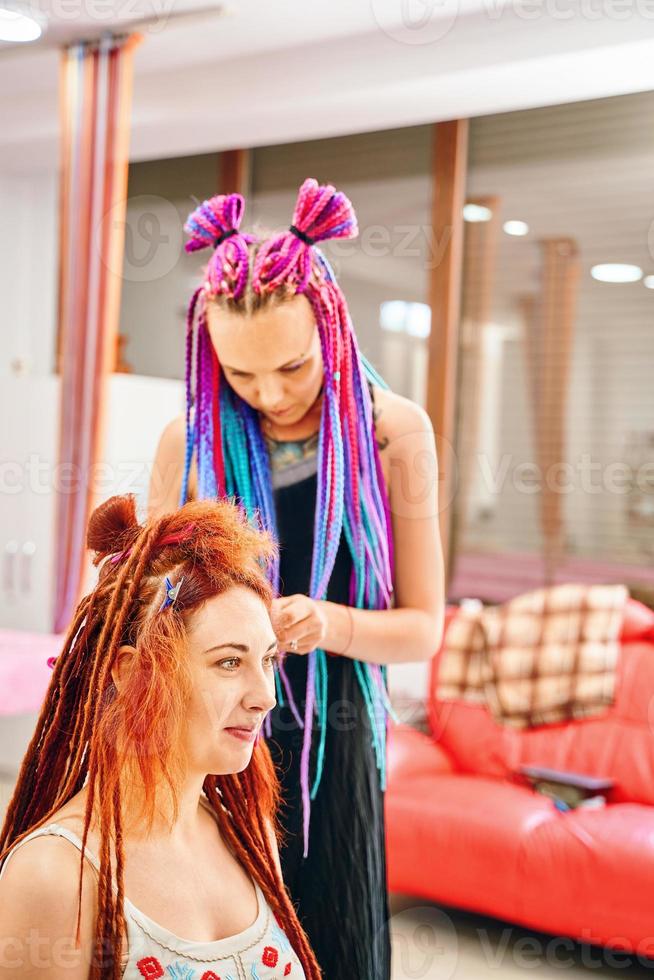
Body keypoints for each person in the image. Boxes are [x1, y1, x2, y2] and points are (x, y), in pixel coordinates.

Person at [148, 178, 445, 979]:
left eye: (292, 366)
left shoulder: (393, 436)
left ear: (334, 330)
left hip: (332, 745)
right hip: (204, 733)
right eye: (242, 376)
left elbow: (424, 626)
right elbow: (148, 595)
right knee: (212, 945)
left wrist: (330, 624)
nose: (271, 395)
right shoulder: (190, 438)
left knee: (332, 947)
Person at [0, 494, 320, 980]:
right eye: (229, 662)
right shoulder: (54, 877)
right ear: (130, 672)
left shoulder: (247, 838)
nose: (266, 697)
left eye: (268, 660)